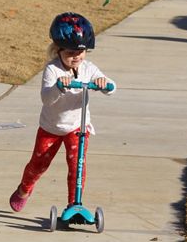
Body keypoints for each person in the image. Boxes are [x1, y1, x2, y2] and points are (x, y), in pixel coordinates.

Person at [10, 13, 115, 212]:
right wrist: (59, 87)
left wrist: (105, 85)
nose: (76, 57)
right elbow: (46, 99)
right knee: (38, 164)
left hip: (78, 127)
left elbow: (111, 86)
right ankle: (24, 189)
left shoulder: (89, 68)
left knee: (77, 166)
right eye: (70, 52)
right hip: (51, 127)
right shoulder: (52, 70)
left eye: (81, 52)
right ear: (58, 50)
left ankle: (74, 205)